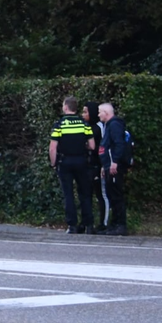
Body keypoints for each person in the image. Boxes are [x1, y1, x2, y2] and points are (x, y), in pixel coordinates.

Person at [49, 96, 96, 234]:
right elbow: (92, 146)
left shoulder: (59, 125)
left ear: (65, 107)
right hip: (82, 161)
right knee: (85, 194)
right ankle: (88, 225)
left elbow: (52, 148)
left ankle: (72, 226)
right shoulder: (84, 124)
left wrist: (53, 163)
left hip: (65, 162)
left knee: (68, 194)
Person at [98, 102, 131, 236]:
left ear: (106, 113)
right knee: (111, 195)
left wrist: (114, 162)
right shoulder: (109, 125)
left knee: (116, 195)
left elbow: (118, 144)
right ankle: (114, 224)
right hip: (108, 164)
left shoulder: (114, 125)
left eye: (100, 112)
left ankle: (121, 225)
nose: (98, 114)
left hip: (114, 165)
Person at [82, 101, 110, 232]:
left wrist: (103, 165)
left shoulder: (100, 127)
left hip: (98, 165)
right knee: (86, 194)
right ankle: (87, 223)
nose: (83, 115)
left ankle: (104, 223)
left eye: (85, 112)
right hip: (88, 165)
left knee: (101, 194)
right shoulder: (86, 126)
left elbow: (103, 147)